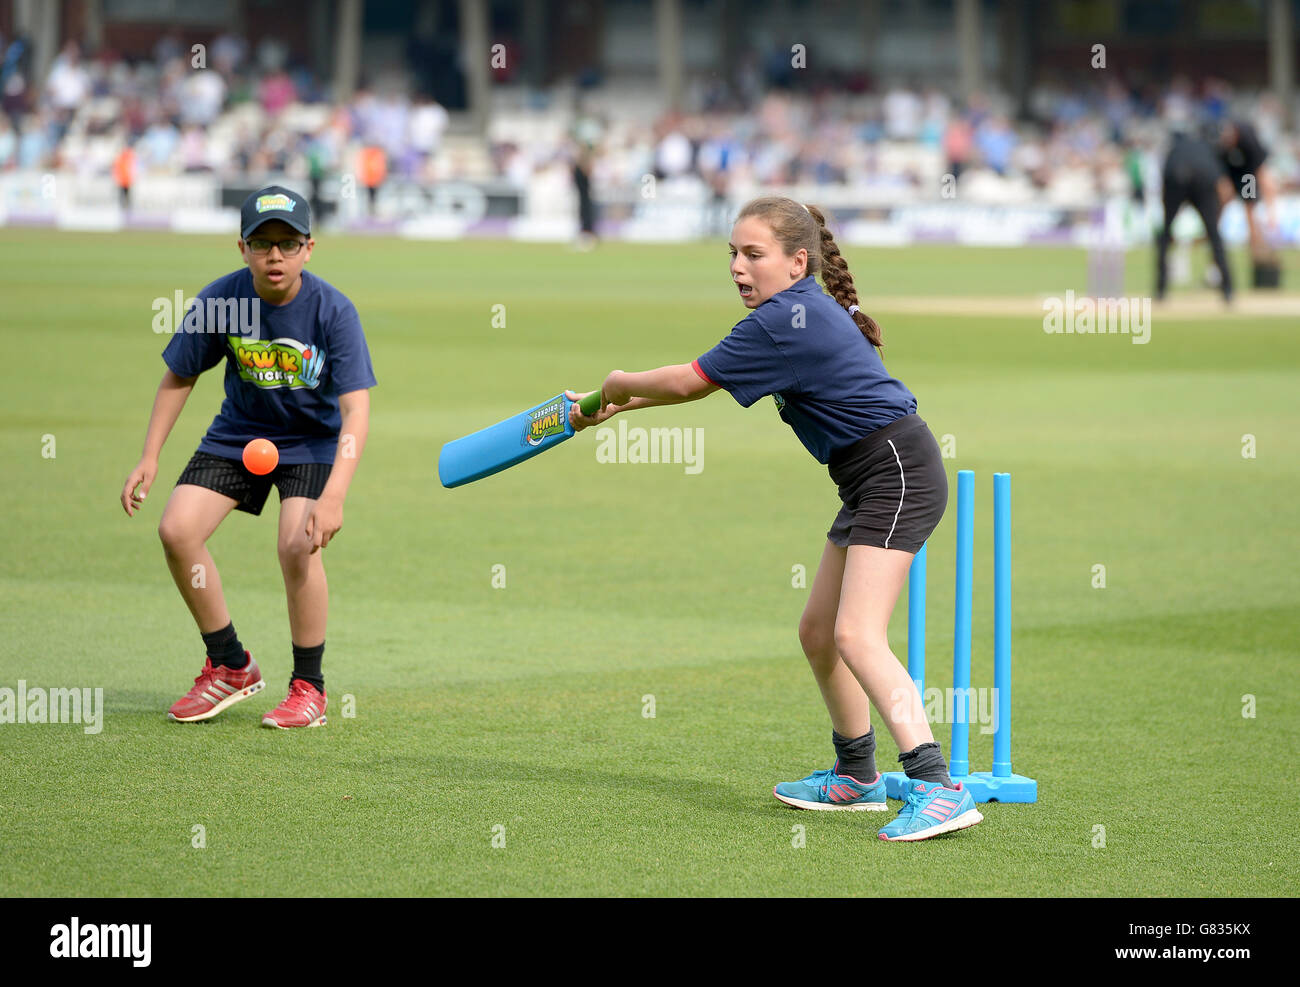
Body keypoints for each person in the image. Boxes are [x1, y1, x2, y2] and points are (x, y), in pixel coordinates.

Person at [566, 196, 981, 841]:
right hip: (869, 478)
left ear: (797, 262)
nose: (737, 266)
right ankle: (857, 775)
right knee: (818, 631)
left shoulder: (784, 318)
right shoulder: (789, 313)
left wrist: (616, 383)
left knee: (857, 635)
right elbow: (695, 384)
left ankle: (936, 786)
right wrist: (619, 407)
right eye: (732, 253)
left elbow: (686, 381)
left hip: (896, 470)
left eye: (752, 254)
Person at [120, 185, 376, 728]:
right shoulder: (222, 301)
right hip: (238, 436)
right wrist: (149, 456)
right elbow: (180, 375)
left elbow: (356, 411)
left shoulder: (334, 311)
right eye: (263, 244)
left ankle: (309, 686)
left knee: (296, 545)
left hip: (309, 442)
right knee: (176, 530)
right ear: (242, 249)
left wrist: (334, 497)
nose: (275, 256)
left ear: (310, 248)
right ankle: (230, 664)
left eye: (288, 243)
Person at [1155, 129, 1232, 302]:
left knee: (1165, 233)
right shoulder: (1207, 148)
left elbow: (1165, 180)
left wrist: (1168, 214)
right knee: (1214, 234)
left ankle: (1160, 290)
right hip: (1203, 179)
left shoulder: (1174, 149)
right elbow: (1221, 181)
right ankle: (1228, 290)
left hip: (1177, 175)